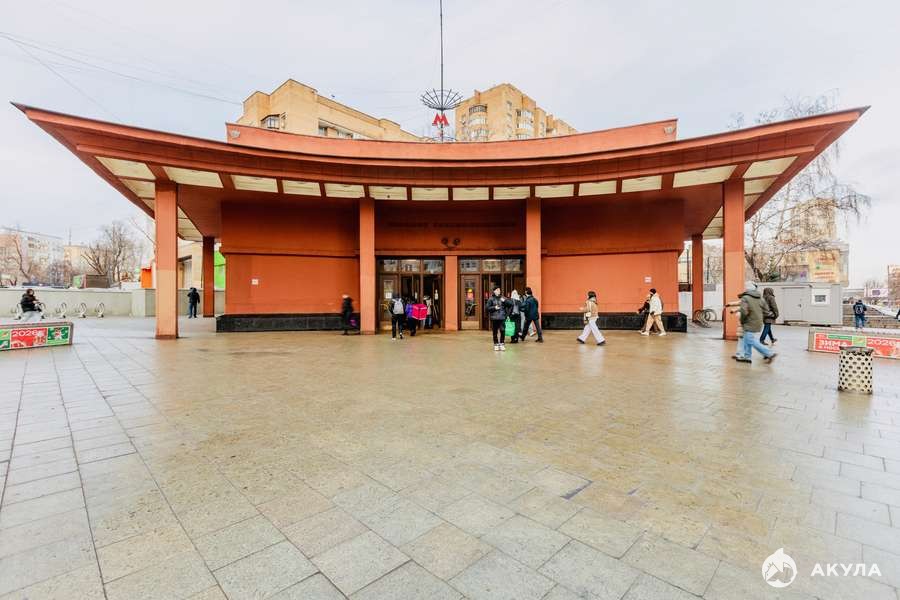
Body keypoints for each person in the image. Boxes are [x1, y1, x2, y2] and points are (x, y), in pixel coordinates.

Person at [737, 288, 776, 363]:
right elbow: (766, 310)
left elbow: (744, 312)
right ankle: (747, 357)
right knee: (747, 339)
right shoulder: (760, 298)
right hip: (758, 322)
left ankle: (769, 353)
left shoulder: (745, 298)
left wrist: (742, 321)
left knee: (750, 340)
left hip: (749, 322)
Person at [485, 286, 510, 351]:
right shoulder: (491, 299)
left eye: (499, 290)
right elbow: (487, 308)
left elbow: (510, 304)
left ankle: (502, 344)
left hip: (502, 317)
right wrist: (494, 308)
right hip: (494, 318)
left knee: (502, 331)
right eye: (497, 290)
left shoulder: (502, 298)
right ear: (494, 291)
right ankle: (496, 344)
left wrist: (505, 301)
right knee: (495, 332)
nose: (499, 291)